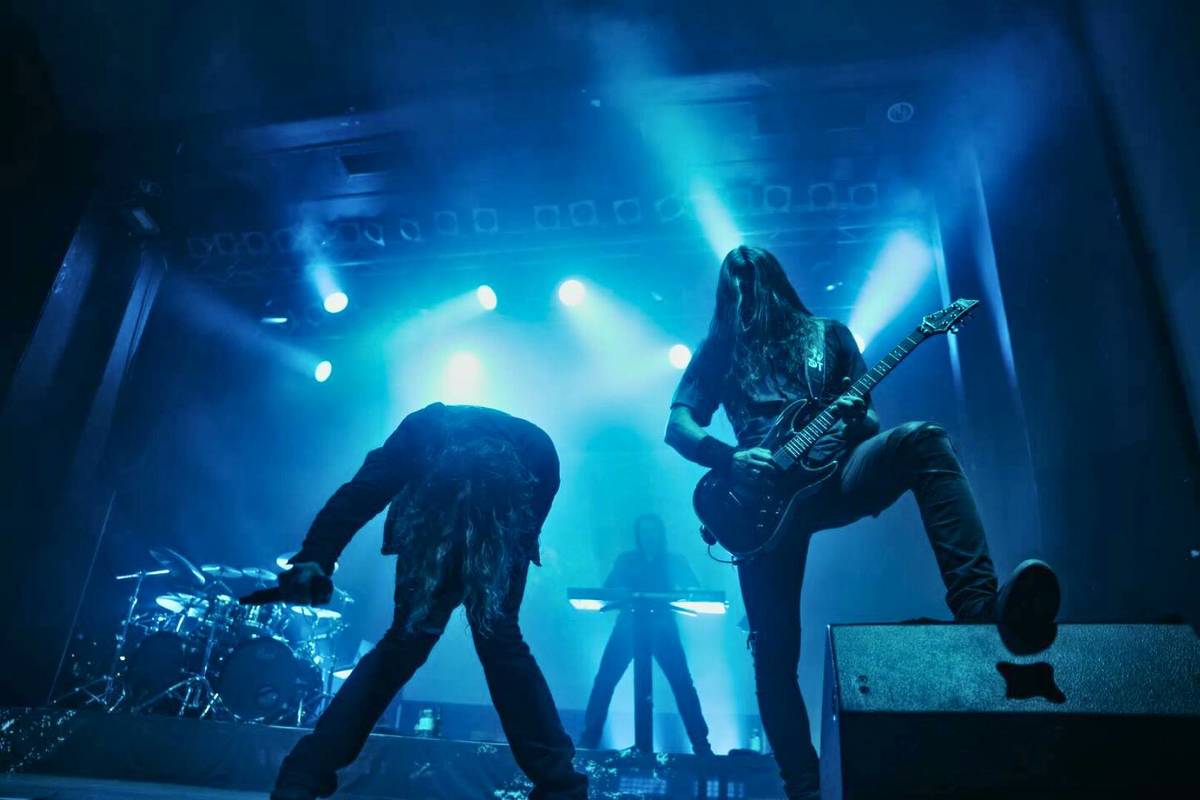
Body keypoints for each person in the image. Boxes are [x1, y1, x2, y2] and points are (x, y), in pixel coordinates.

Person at [664, 246, 1060, 800]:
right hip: (758, 506)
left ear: (776, 282)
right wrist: (729, 457)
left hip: (832, 476)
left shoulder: (828, 336)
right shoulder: (720, 349)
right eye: (733, 284)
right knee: (774, 652)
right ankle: (804, 787)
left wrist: (854, 422)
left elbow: (869, 417)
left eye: (752, 280)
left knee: (922, 440)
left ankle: (977, 606)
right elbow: (678, 426)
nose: (743, 292)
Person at [268, 402, 588, 800]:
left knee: (476, 640)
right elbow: (360, 495)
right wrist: (317, 556)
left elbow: (518, 537)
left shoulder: (537, 456)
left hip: (495, 528)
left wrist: (480, 563)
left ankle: (303, 777)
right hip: (435, 523)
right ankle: (561, 786)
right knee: (437, 641)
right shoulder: (419, 436)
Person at [578, 513, 713, 755]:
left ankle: (702, 745)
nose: (648, 536)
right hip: (628, 626)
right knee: (605, 680)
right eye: (644, 532)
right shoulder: (626, 560)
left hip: (663, 627)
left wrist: (688, 593)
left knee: (682, 684)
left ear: (661, 534)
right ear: (638, 535)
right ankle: (589, 740)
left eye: (653, 531)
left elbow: (694, 590)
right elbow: (608, 590)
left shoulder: (674, 561)